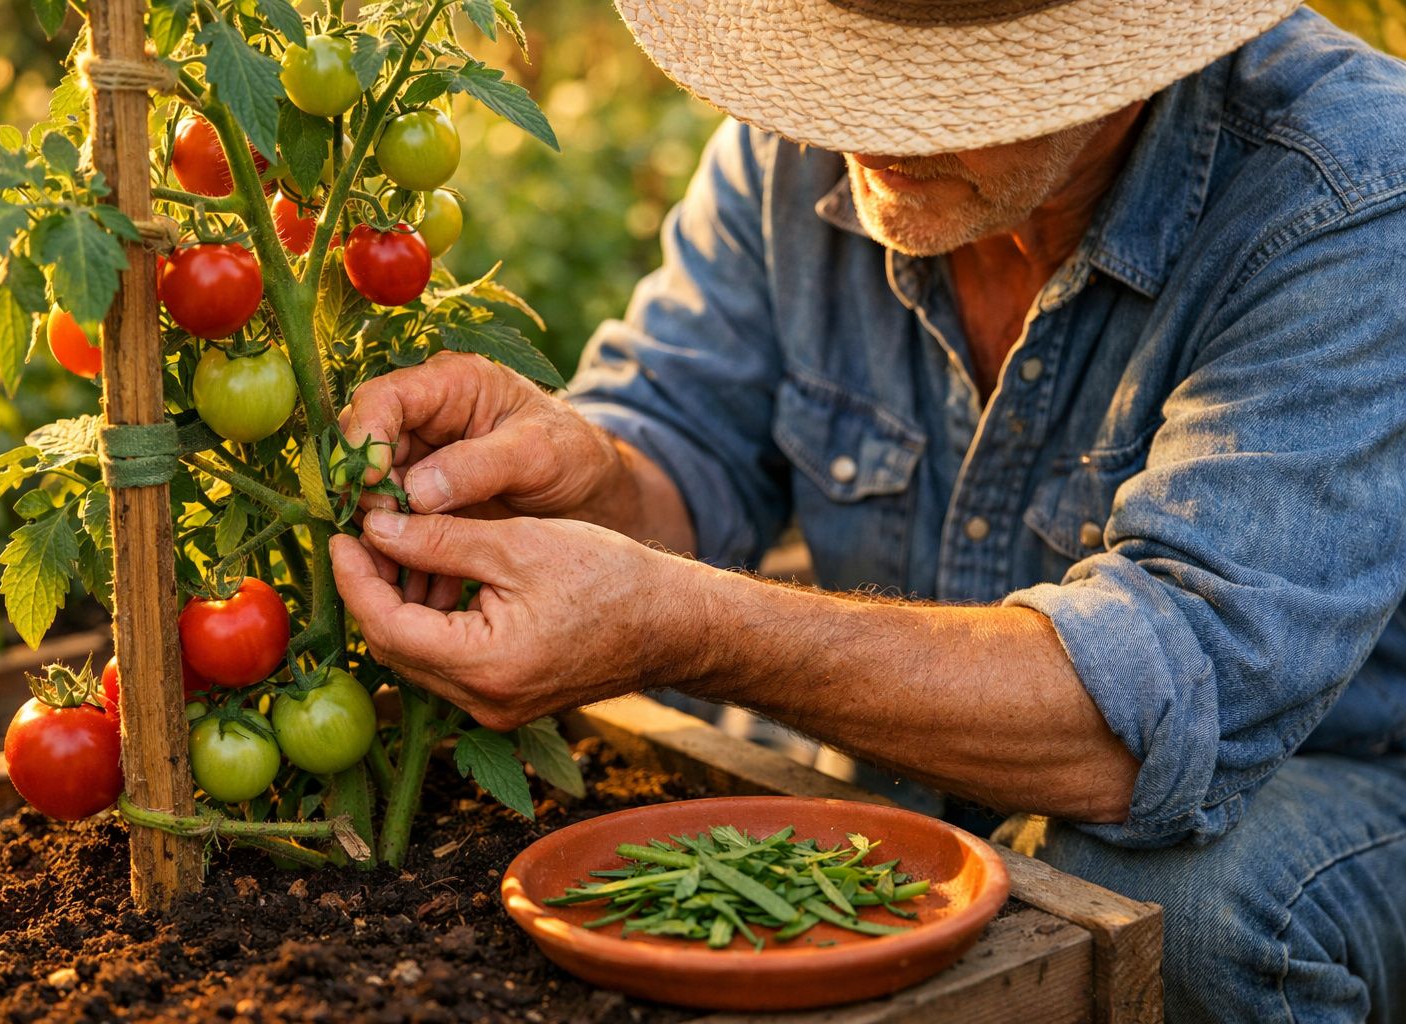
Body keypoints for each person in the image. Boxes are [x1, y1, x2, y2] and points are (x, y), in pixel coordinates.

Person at [331, 1, 1406, 1018]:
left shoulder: (1345, 192)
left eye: (943, 90)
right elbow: (686, 439)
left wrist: (686, 624)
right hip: (931, 763)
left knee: (1197, 909)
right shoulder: (795, 144)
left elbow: (1150, 723)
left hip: (1338, 781)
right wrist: (588, 476)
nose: (865, 125)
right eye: (854, 66)